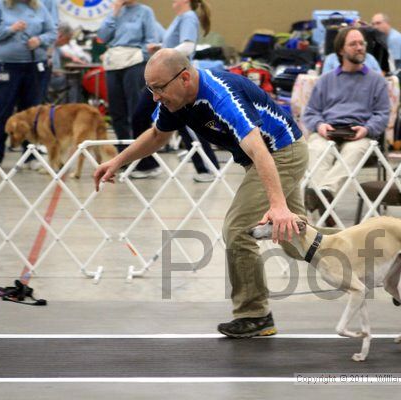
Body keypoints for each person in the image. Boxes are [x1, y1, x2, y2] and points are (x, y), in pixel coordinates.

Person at [94, 49, 326, 338]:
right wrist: (118, 160)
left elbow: (258, 149)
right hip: (263, 157)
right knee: (294, 241)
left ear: (185, 78)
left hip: (281, 153)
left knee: (239, 230)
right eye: (150, 89)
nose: (155, 97)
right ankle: (366, 255)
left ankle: (255, 315)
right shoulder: (175, 100)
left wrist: (277, 205)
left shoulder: (221, 96)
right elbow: (157, 135)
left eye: (159, 88)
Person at [302, 27, 390, 227]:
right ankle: (322, 203)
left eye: (362, 43)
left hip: (359, 133)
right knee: (316, 149)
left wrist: (367, 129)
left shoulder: (377, 80)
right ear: (341, 51)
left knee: (354, 151)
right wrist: (320, 125)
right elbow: (311, 112)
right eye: (353, 44)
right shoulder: (326, 80)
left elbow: (383, 114)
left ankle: (324, 192)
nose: (360, 48)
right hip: (328, 130)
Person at [129, 0, 220, 181]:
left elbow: (187, 46)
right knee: (141, 116)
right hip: (166, 78)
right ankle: (147, 164)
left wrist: (163, 54)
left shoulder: (188, 17)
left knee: (188, 124)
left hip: (175, 79)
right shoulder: (181, 18)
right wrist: (160, 48)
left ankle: (208, 167)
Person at [0, 0, 56, 171]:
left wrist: (39, 40)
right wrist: (10, 29)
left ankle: (30, 156)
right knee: (2, 111)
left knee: (32, 113)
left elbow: (52, 32)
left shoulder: (39, 6)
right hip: (5, 66)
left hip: (34, 65)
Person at [97, 0, 157, 152]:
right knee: (116, 110)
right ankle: (124, 152)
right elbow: (102, 36)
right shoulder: (114, 12)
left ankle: (142, 152)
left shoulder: (145, 11)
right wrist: (114, 12)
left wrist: (140, 56)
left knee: (135, 108)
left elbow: (151, 40)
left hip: (134, 62)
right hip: (113, 63)